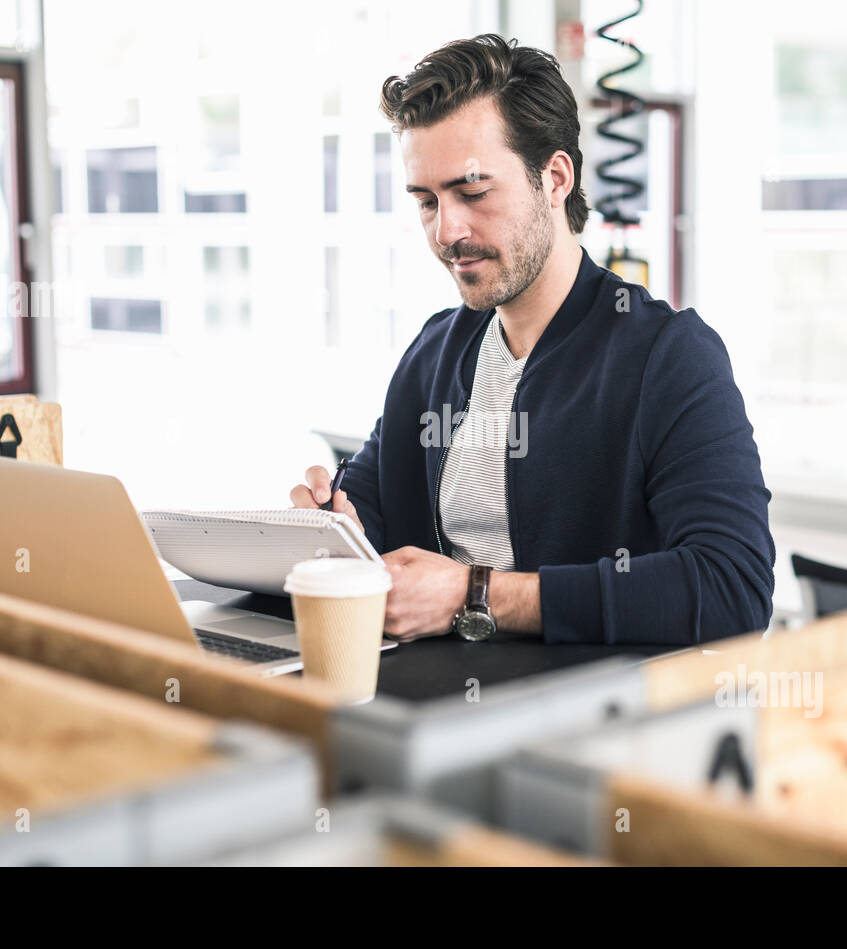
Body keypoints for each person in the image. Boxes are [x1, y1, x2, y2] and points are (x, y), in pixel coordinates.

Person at [290, 34, 774, 645]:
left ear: (554, 178)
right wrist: (329, 531)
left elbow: (732, 587)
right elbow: (366, 514)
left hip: (578, 723)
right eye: (426, 201)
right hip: (426, 710)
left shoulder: (669, 356)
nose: (448, 231)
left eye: (471, 193)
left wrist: (477, 594)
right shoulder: (436, 352)